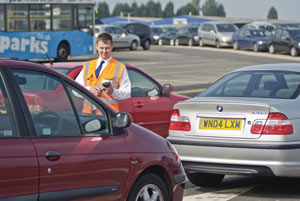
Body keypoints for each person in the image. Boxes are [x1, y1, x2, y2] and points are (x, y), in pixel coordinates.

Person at [76, 32, 131, 112]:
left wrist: (113, 92)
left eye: (107, 48)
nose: (104, 51)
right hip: (88, 115)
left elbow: (127, 93)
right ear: (96, 47)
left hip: (108, 116)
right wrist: (89, 90)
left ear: (112, 47)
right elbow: (75, 89)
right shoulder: (88, 66)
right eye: (101, 48)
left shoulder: (120, 67)